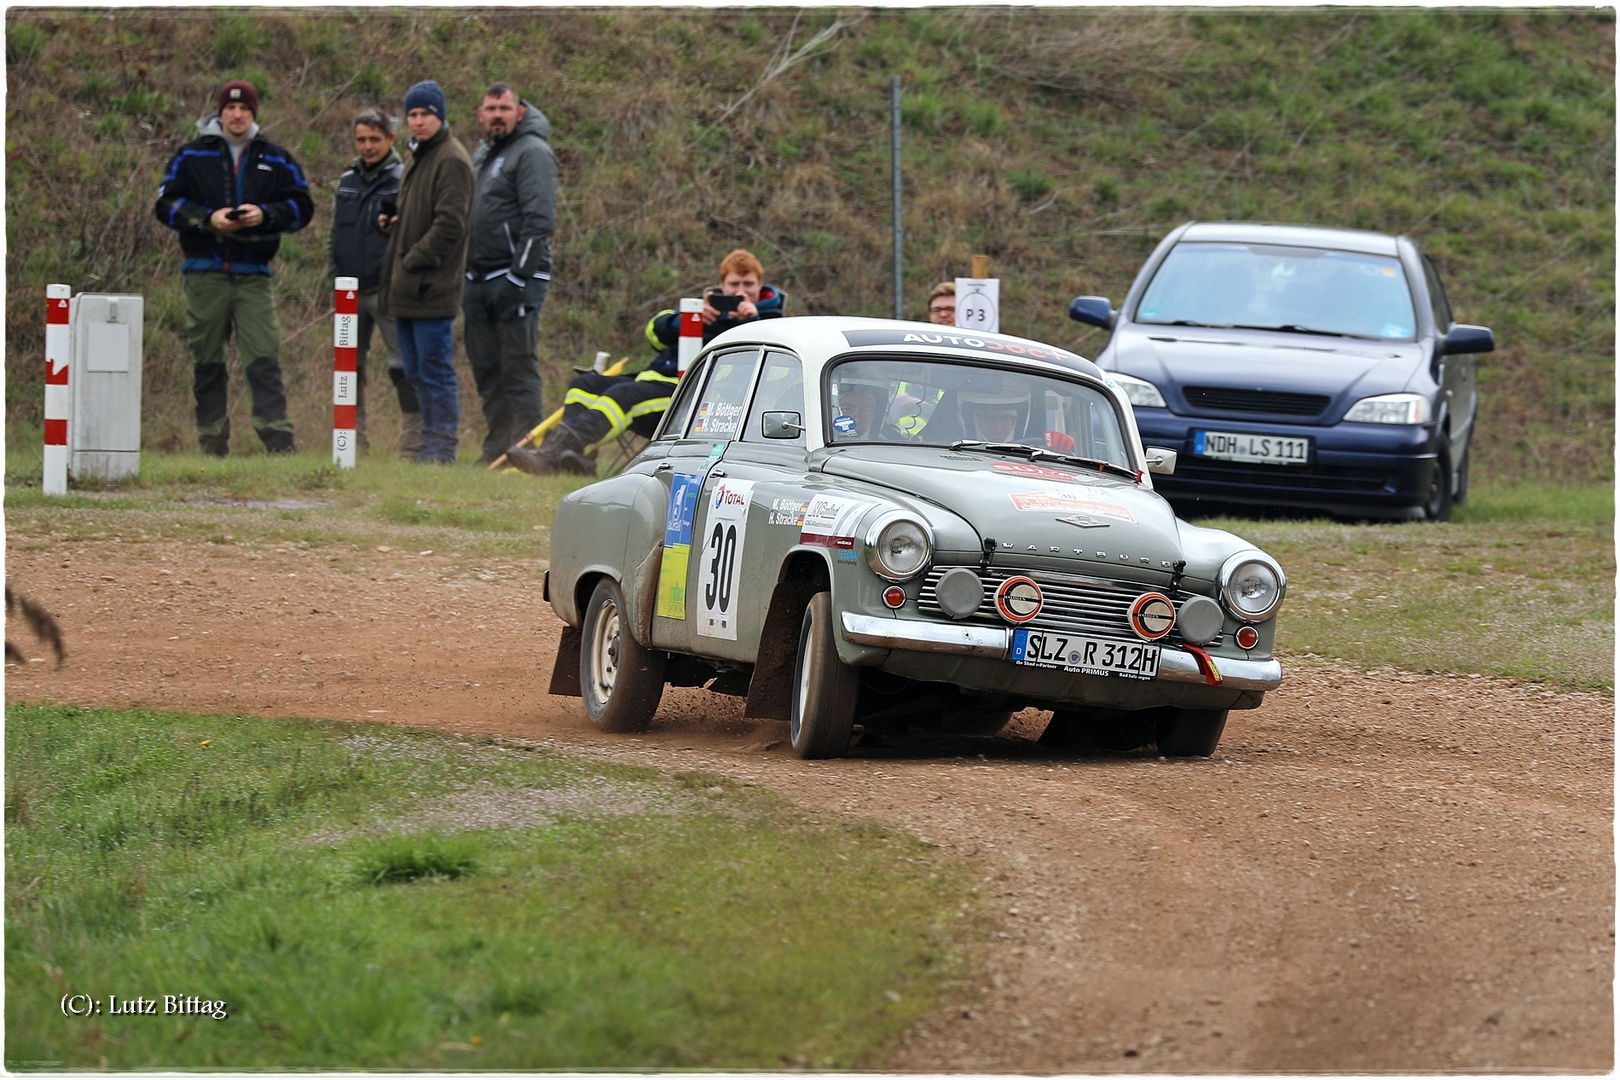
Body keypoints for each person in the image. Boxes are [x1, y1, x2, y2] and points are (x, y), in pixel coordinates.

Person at [506, 249, 785, 475]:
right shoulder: (702, 312)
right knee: (584, 383)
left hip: (693, 400)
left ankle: (551, 455)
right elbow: (654, 333)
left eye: (748, 285)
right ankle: (577, 462)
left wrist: (752, 322)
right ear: (721, 285)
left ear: (760, 287)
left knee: (623, 395)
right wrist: (686, 320)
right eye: (733, 284)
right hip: (651, 381)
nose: (740, 292)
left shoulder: (771, 323)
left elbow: (762, 375)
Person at [153, 80, 313, 456]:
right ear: (220, 112)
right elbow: (165, 203)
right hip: (204, 270)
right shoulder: (191, 155)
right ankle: (211, 439)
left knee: (263, 355)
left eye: (244, 109)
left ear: (253, 113)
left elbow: (303, 206)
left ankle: (277, 438)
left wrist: (266, 214)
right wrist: (208, 219)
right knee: (208, 359)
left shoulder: (276, 157)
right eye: (230, 108)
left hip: (254, 272)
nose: (237, 115)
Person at [377, 81, 474, 464]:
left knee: (435, 372)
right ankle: (425, 450)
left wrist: (413, 258)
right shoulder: (419, 155)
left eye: (424, 114)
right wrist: (396, 223)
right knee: (415, 372)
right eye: (412, 115)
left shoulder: (451, 159)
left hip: (430, 286)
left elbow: (451, 224)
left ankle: (440, 450)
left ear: (440, 116)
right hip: (407, 287)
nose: (417, 122)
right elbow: (423, 213)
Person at [463, 82, 559, 463]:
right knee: (486, 369)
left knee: (518, 366)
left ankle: (529, 451)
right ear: (481, 114)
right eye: (491, 108)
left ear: (519, 111)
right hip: (477, 277)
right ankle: (497, 449)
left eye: (504, 108)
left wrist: (519, 276)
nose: (497, 115)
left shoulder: (532, 152)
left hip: (518, 277)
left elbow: (540, 220)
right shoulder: (483, 154)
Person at [328, 108, 420, 459]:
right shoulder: (347, 180)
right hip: (349, 291)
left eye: (374, 140)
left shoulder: (403, 180)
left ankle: (412, 448)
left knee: (402, 368)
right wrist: (333, 279)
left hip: (388, 292)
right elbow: (335, 235)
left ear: (390, 140)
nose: (367, 146)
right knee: (349, 371)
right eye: (361, 140)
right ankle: (350, 446)